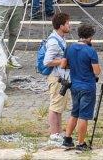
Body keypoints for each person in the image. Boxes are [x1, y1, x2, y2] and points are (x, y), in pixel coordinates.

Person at [61, 23, 101, 152]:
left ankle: (67, 139)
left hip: (74, 86)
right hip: (87, 86)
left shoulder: (70, 48)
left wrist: (76, 66)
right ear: (90, 37)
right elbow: (97, 71)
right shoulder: (90, 51)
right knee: (84, 116)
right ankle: (81, 143)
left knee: (75, 113)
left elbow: (63, 65)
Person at [42, 12, 71, 145]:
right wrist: (63, 61)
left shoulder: (60, 38)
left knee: (59, 107)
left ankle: (58, 133)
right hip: (56, 78)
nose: (69, 25)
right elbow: (47, 61)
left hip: (61, 78)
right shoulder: (54, 42)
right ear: (61, 26)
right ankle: (54, 136)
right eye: (67, 23)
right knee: (55, 106)